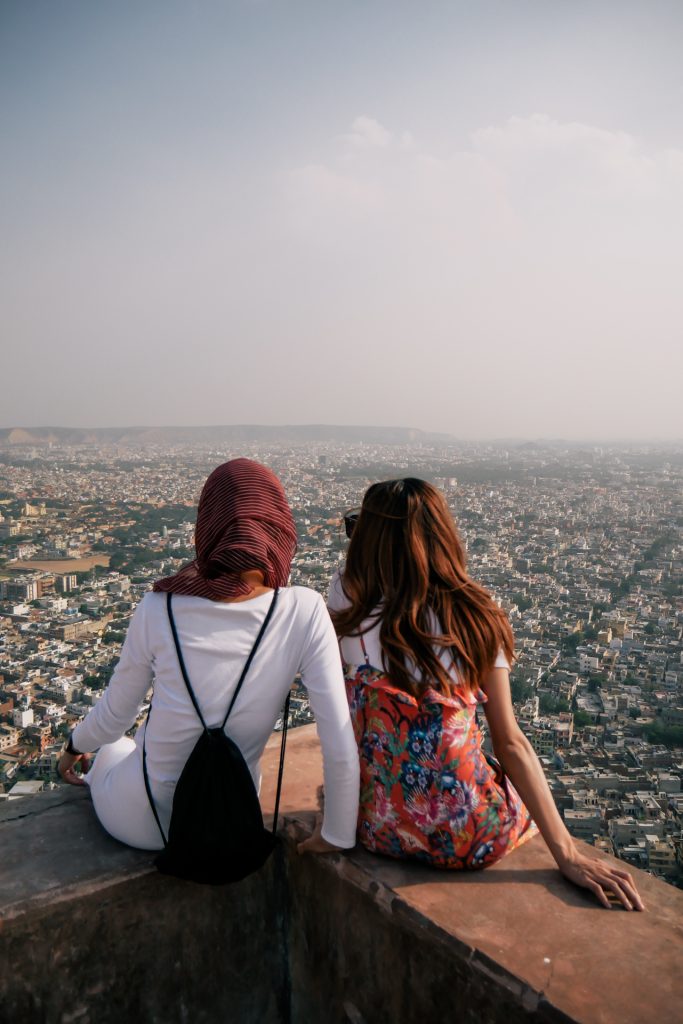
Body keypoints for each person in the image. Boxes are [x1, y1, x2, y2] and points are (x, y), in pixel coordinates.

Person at [328, 478, 644, 911]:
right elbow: (509, 742)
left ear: (368, 541)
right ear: (442, 538)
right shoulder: (477, 617)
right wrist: (567, 853)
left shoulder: (347, 598)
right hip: (470, 838)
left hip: (377, 826)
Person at [58, 458, 359, 857]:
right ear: (278, 526)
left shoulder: (159, 606)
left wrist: (73, 746)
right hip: (233, 820)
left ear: (209, 524)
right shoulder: (304, 610)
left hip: (144, 824)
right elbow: (338, 736)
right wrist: (338, 834)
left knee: (115, 749)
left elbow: (117, 715)